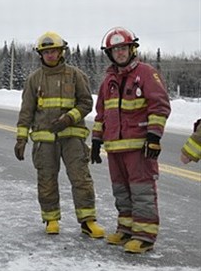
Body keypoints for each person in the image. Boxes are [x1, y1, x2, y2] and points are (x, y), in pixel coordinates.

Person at [14, 31, 105, 238]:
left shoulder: (75, 75)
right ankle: (51, 219)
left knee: (81, 179)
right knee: (46, 180)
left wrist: (69, 118)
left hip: (72, 138)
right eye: (46, 52)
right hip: (44, 142)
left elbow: (86, 103)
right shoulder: (33, 80)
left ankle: (88, 221)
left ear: (61, 52)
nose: (51, 55)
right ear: (41, 54)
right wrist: (21, 138)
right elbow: (26, 111)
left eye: (54, 51)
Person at [91, 27, 171, 254]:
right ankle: (126, 229)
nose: (120, 53)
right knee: (121, 191)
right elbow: (101, 113)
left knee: (141, 190)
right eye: (115, 50)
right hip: (114, 147)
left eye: (123, 48)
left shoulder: (145, 73)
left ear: (132, 48)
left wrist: (154, 137)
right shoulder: (108, 81)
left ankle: (144, 236)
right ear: (109, 53)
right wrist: (96, 141)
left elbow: (160, 106)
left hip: (139, 147)